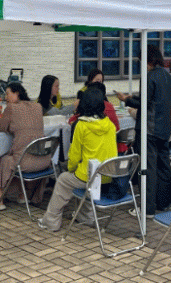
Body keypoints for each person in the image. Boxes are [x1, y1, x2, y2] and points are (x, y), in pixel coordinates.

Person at [38, 87, 117, 231]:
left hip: (89, 176)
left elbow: (74, 156)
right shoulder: (110, 125)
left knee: (63, 179)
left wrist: (71, 169)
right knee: (87, 177)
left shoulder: (81, 125)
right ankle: (86, 216)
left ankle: (51, 221)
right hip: (107, 175)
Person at [115, 45, 171, 218]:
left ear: (148, 60)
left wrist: (126, 99)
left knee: (147, 169)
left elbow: (144, 103)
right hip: (164, 128)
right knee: (164, 166)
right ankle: (163, 203)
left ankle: (147, 208)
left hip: (148, 129)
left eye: (141, 61)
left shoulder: (149, 77)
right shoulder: (166, 75)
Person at [0, 82, 52, 211]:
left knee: (3, 159)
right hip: (44, 161)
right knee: (19, 155)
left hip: (25, 163)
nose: (6, 97)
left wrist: (1, 116)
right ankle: (22, 195)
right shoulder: (37, 107)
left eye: (8, 93)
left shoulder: (11, 108)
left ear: (17, 93)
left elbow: (0, 126)